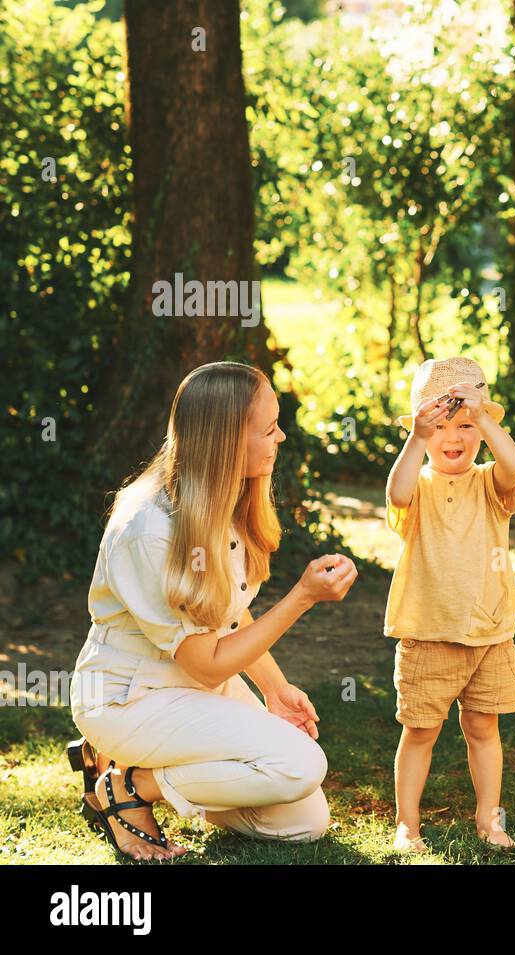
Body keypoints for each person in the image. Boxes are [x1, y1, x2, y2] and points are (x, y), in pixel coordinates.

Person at [68, 361, 358, 861]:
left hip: (196, 687)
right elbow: (205, 662)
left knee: (302, 822)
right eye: (268, 429)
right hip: (130, 699)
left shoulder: (224, 497)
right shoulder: (149, 526)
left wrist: (276, 689)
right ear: (226, 439)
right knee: (300, 766)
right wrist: (302, 598)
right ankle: (130, 787)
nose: (281, 437)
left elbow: (228, 616)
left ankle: (136, 775)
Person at [384, 357, 515, 852]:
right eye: (441, 425)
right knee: (420, 732)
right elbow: (396, 492)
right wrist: (416, 438)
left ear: (483, 432)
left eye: (466, 424)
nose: (455, 434)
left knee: (484, 727)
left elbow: (514, 467)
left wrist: (483, 414)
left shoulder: (490, 484)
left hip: (490, 634)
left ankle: (490, 819)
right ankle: (408, 825)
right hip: (427, 634)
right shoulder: (417, 486)